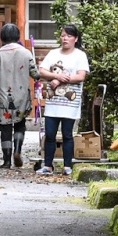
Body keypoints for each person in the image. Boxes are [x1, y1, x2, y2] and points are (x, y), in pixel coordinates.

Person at [0, 23, 39, 169]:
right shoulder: (26, 53)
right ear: (17, 37)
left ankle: (7, 161)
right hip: (22, 98)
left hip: (4, 99)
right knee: (20, 125)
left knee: (5, 128)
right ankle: (18, 151)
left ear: (2, 38)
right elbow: (36, 74)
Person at [38, 24, 90, 176]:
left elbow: (81, 76)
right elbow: (42, 70)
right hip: (53, 102)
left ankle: (67, 165)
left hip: (70, 103)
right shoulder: (53, 54)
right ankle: (47, 165)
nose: (65, 38)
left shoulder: (80, 55)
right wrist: (56, 76)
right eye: (63, 35)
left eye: (68, 36)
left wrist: (60, 81)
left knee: (68, 134)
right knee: (50, 134)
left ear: (76, 39)